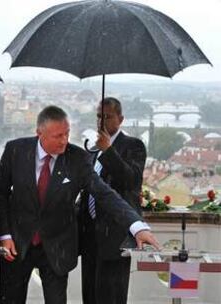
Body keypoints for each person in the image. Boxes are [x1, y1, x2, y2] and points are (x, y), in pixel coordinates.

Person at [0, 105, 159, 304]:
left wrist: (136, 226)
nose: (64, 140)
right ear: (39, 133)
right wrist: (4, 235)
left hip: (57, 248)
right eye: (58, 136)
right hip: (16, 244)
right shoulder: (15, 150)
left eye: (67, 134)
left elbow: (106, 195)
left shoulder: (77, 158)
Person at [79, 97, 147, 304]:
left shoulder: (133, 146)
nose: (102, 121)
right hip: (90, 234)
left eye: (108, 117)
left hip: (116, 236)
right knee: (90, 294)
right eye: (99, 116)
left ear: (121, 119)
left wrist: (109, 150)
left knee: (111, 296)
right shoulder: (91, 148)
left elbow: (130, 180)